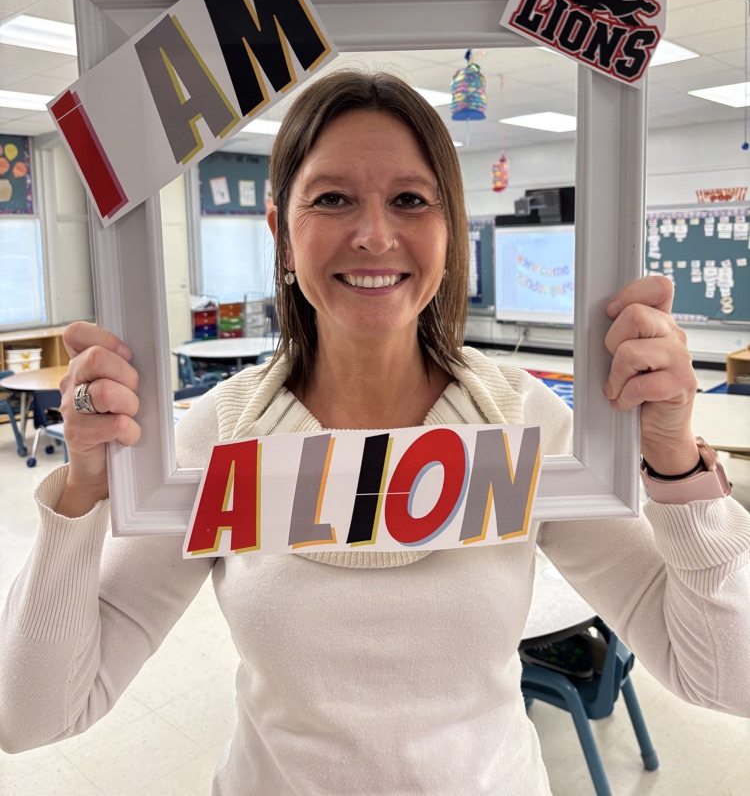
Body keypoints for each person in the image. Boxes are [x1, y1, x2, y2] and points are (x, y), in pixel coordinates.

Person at [1, 70, 748, 796]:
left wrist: (679, 468)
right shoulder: (223, 435)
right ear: (281, 236)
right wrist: (82, 493)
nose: (373, 234)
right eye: (331, 199)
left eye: (410, 200)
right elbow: (34, 714)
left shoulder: (518, 420)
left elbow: (724, 674)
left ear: (449, 232)